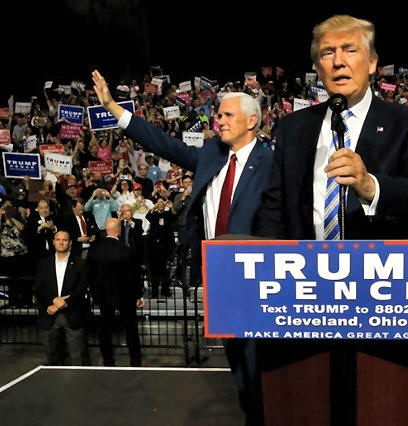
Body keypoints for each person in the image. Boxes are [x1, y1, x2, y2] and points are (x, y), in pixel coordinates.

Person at [253, 14, 408, 424]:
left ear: (372, 62)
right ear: (317, 68)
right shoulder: (293, 127)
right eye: (327, 53)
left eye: (349, 50)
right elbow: (273, 209)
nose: (338, 61)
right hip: (304, 304)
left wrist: (370, 185)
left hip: (382, 306)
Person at [92, 70, 273, 425]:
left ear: (252, 121)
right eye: (218, 115)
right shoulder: (211, 155)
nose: (219, 120)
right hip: (217, 276)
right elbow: (163, 143)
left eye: (227, 115)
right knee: (237, 360)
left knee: (258, 363)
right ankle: (253, 415)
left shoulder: (271, 162)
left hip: (256, 278)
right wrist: (113, 108)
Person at [88, 218, 144, 367]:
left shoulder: (94, 249)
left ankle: (108, 360)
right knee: (130, 327)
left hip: (104, 295)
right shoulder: (125, 249)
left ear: (106, 230)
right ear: (119, 231)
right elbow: (134, 274)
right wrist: (139, 294)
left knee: (105, 328)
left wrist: (95, 293)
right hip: (126, 294)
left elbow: (90, 274)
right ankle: (135, 360)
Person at [34, 230, 90, 365]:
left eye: (64, 240)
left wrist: (64, 303)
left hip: (72, 315)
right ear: (53, 242)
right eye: (58, 239)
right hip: (49, 314)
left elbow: (81, 289)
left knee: (78, 358)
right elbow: (39, 288)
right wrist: (54, 301)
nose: (61, 242)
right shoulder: (44, 263)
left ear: (70, 243)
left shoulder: (80, 263)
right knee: (52, 358)